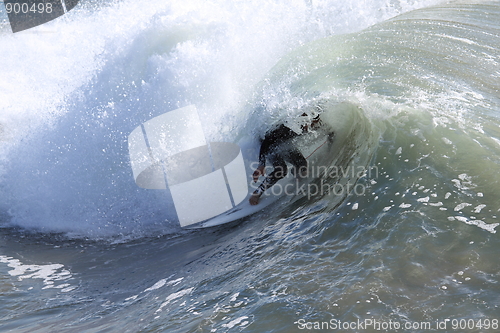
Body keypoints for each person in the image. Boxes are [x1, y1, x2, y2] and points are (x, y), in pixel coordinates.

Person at [249, 111, 322, 205]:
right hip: (268, 144)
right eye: (310, 123)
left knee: (302, 165)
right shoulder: (289, 127)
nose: (310, 126)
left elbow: (328, 130)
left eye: (313, 123)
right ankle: (257, 193)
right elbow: (267, 142)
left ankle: (296, 174)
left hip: (283, 143)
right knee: (281, 170)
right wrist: (261, 164)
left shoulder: (312, 124)